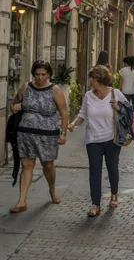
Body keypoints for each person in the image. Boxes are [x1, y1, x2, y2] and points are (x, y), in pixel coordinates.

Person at [9, 60, 68, 213]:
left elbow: (64, 112)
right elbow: (15, 103)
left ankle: (52, 190)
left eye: (43, 74)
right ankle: (22, 201)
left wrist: (63, 133)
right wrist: (14, 107)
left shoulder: (55, 90)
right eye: (37, 74)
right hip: (25, 133)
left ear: (49, 75)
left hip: (47, 135)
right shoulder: (26, 87)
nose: (40, 77)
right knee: (27, 166)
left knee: (47, 165)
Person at [68, 65, 127, 216]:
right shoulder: (88, 95)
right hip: (93, 138)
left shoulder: (116, 93)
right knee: (94, 171)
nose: (90, 82)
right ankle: (95, 204)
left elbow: (129, 110)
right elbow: (83, 114)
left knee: (112, 167)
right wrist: (74, 123)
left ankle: (114, 194)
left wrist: (118, 107)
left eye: (92, 79)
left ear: (99, 80)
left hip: (111, 138)